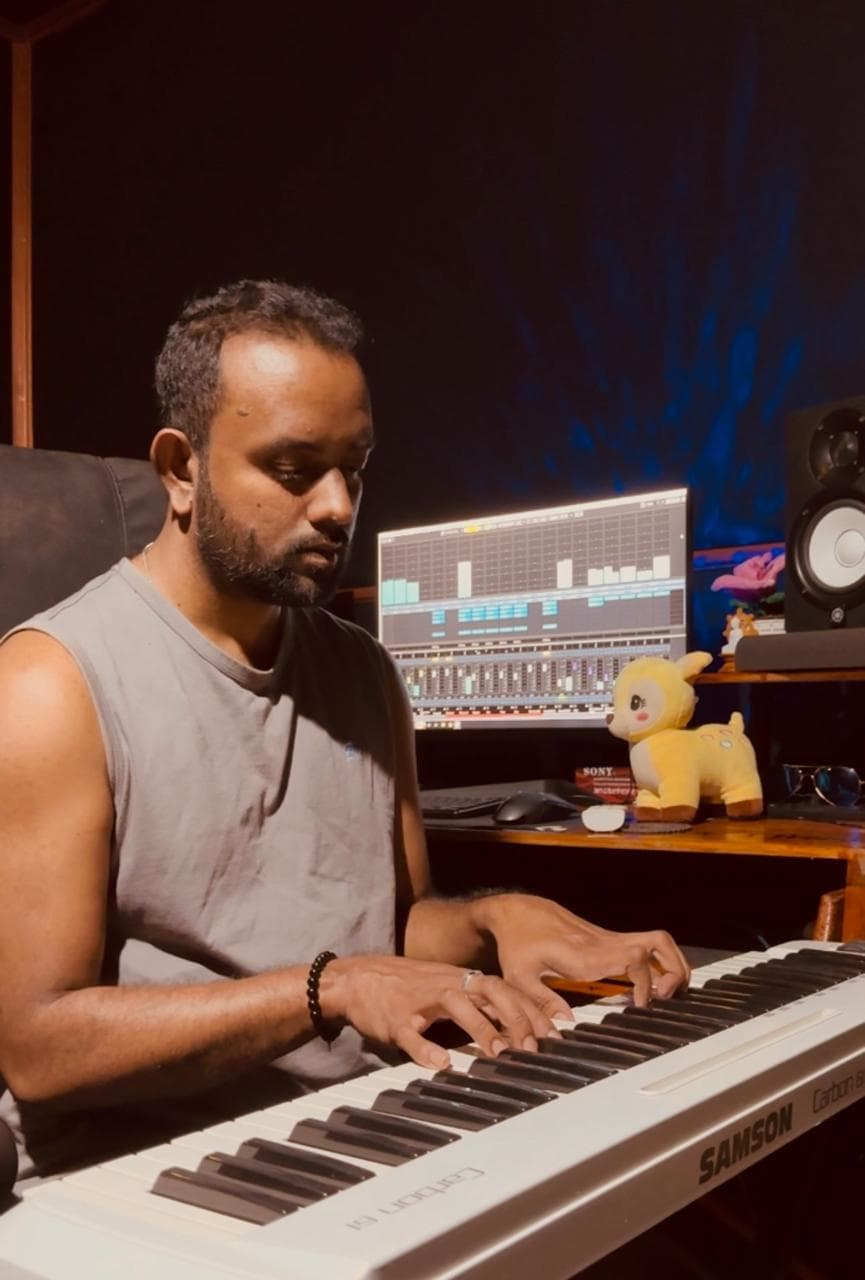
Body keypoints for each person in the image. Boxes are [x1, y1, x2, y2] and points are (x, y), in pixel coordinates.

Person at [0, 279, 689, 1181]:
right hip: (152, 1169)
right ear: (180, 468)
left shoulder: (363, 671)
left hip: (358, 1122)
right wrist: (329, 989)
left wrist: (492, 922)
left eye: (353, 468)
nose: (334, 506)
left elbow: (397, 930)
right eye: (293, 470)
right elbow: (38, 1049)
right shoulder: (50, 685)